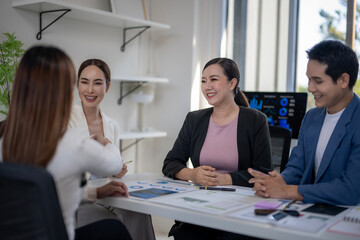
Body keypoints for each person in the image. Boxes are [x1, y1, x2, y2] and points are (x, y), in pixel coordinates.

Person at [0, 45, 132, 240]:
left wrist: (96, 192)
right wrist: (106, 142)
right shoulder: (72, 141)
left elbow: (49, 193)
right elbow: (113, 164)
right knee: (115, 228)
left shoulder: (4, 140)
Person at [162, 57, 272, 239]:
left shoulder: (255, 120)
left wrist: (226, 178)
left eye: (213, 79)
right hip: (200, 205)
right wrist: (193, 174)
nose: (207, 86)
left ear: (232, 83)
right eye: (203, 81)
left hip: (240, 208)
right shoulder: (194, 120)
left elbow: (263, 172)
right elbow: (171, 163)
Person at [248, 40, 360, 206]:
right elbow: (297, 167)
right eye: (308, 80)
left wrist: (289, 191)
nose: (310, 88)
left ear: (343, 80)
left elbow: (351, 190)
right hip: (312, 212)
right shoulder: (311, 117)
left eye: (318, 81)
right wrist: (279, 181)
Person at [69, 59, 155, 240]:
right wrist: (94, 143)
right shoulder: (66, 119)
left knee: (140, 213)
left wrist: (118, 170)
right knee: (116, 222)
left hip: (107, 194)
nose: (90, 90)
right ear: (77, 85)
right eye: (84, 82)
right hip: (81, 198)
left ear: (107, 87)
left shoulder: (112, 125)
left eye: (97, 83)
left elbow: (110, 167)